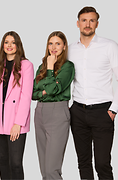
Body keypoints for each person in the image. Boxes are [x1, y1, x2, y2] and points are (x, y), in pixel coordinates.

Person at [68, 6, 118, 180]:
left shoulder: (109, 46)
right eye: (84, 20)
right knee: (83, 162)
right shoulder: (70, 49)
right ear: (78, 23)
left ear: (97, 23)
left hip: (103, 111)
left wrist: (113, 110)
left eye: (91, 20)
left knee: (102, 163)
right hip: (78, 112)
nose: (87, 24)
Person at [0, 31, 34, 180]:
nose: (9, 45)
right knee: (3, 160)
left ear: (18, 45)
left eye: (13, 42)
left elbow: (26, 96)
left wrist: (18, 123)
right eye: (6, 42)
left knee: (15, 163)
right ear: (2, 45)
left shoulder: (26, 65)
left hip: (15, 121)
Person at [32, 31, 75, 180]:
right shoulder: (42, 66)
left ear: (64, 47)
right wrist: (43, 92)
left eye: (58, 43)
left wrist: (50, 69)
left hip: (58, 112)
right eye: (51, 43)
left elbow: (54, 89)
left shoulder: (67, 67)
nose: (53, 47)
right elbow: (32, 92)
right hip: (39, 113)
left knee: (52, 170)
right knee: (44, 170)